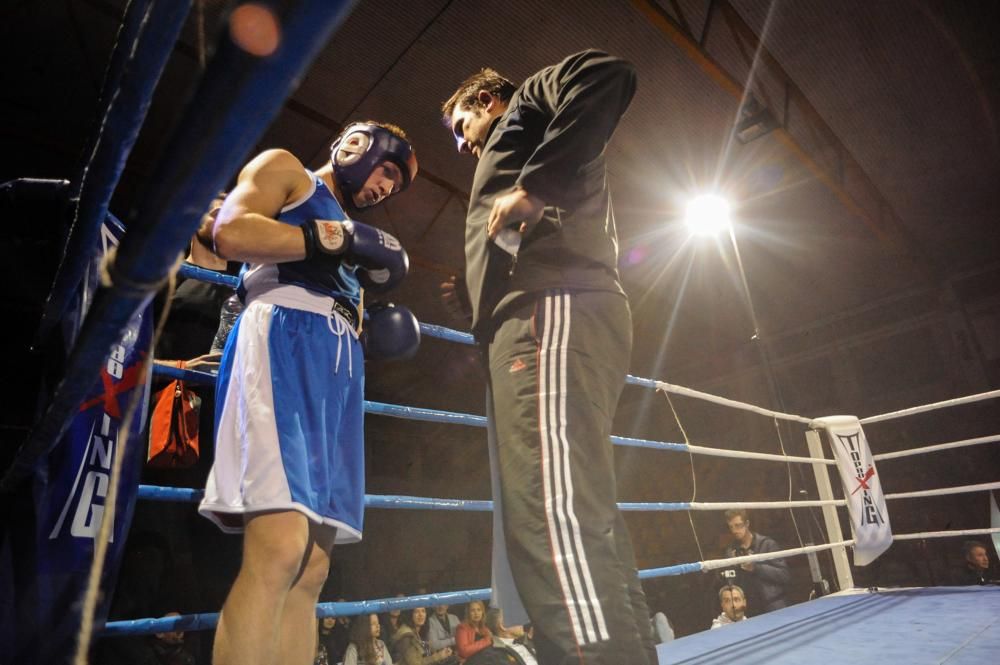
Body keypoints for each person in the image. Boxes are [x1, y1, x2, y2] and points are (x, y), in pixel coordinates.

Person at [440, 50, 655, 664]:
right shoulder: (509, 158)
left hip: (552, 309)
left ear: (487, 101)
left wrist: (535, 187)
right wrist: (475, 300)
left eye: (461, 125)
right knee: (581, 511)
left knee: (550, 512)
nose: (460, 144)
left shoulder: (527, 104)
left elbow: (610, 73)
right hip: (538, 315)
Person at [196, 121, 419, 665]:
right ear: (355, 146)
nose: (385, 187)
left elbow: (340, 293)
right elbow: (230, 232)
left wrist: (376, 330)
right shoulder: (288, 173)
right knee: (278, 550)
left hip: (338, 370)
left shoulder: (352, 241)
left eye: (396, 184)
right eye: (386, 169)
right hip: (283, 342)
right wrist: (329, 238)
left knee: (312, 570)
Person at [723, 509, 790, 613]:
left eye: (738, 525)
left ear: (747, 524)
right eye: (731, 527)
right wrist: (733, 566)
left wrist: (756, 567)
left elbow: (784, 575)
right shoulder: (731, 551)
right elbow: (730, 584)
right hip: (750, 607)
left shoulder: (767, 544)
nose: (734, 530)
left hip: (773, 603)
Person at [390, 607, 454, 665]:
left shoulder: (421, 631)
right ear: (410, 615)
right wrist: (439, 656)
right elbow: (415, 663)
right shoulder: (406, 636)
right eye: (416, 612)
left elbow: (429, 654)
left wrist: (443, 655)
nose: (421, 615)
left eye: (423, 611)